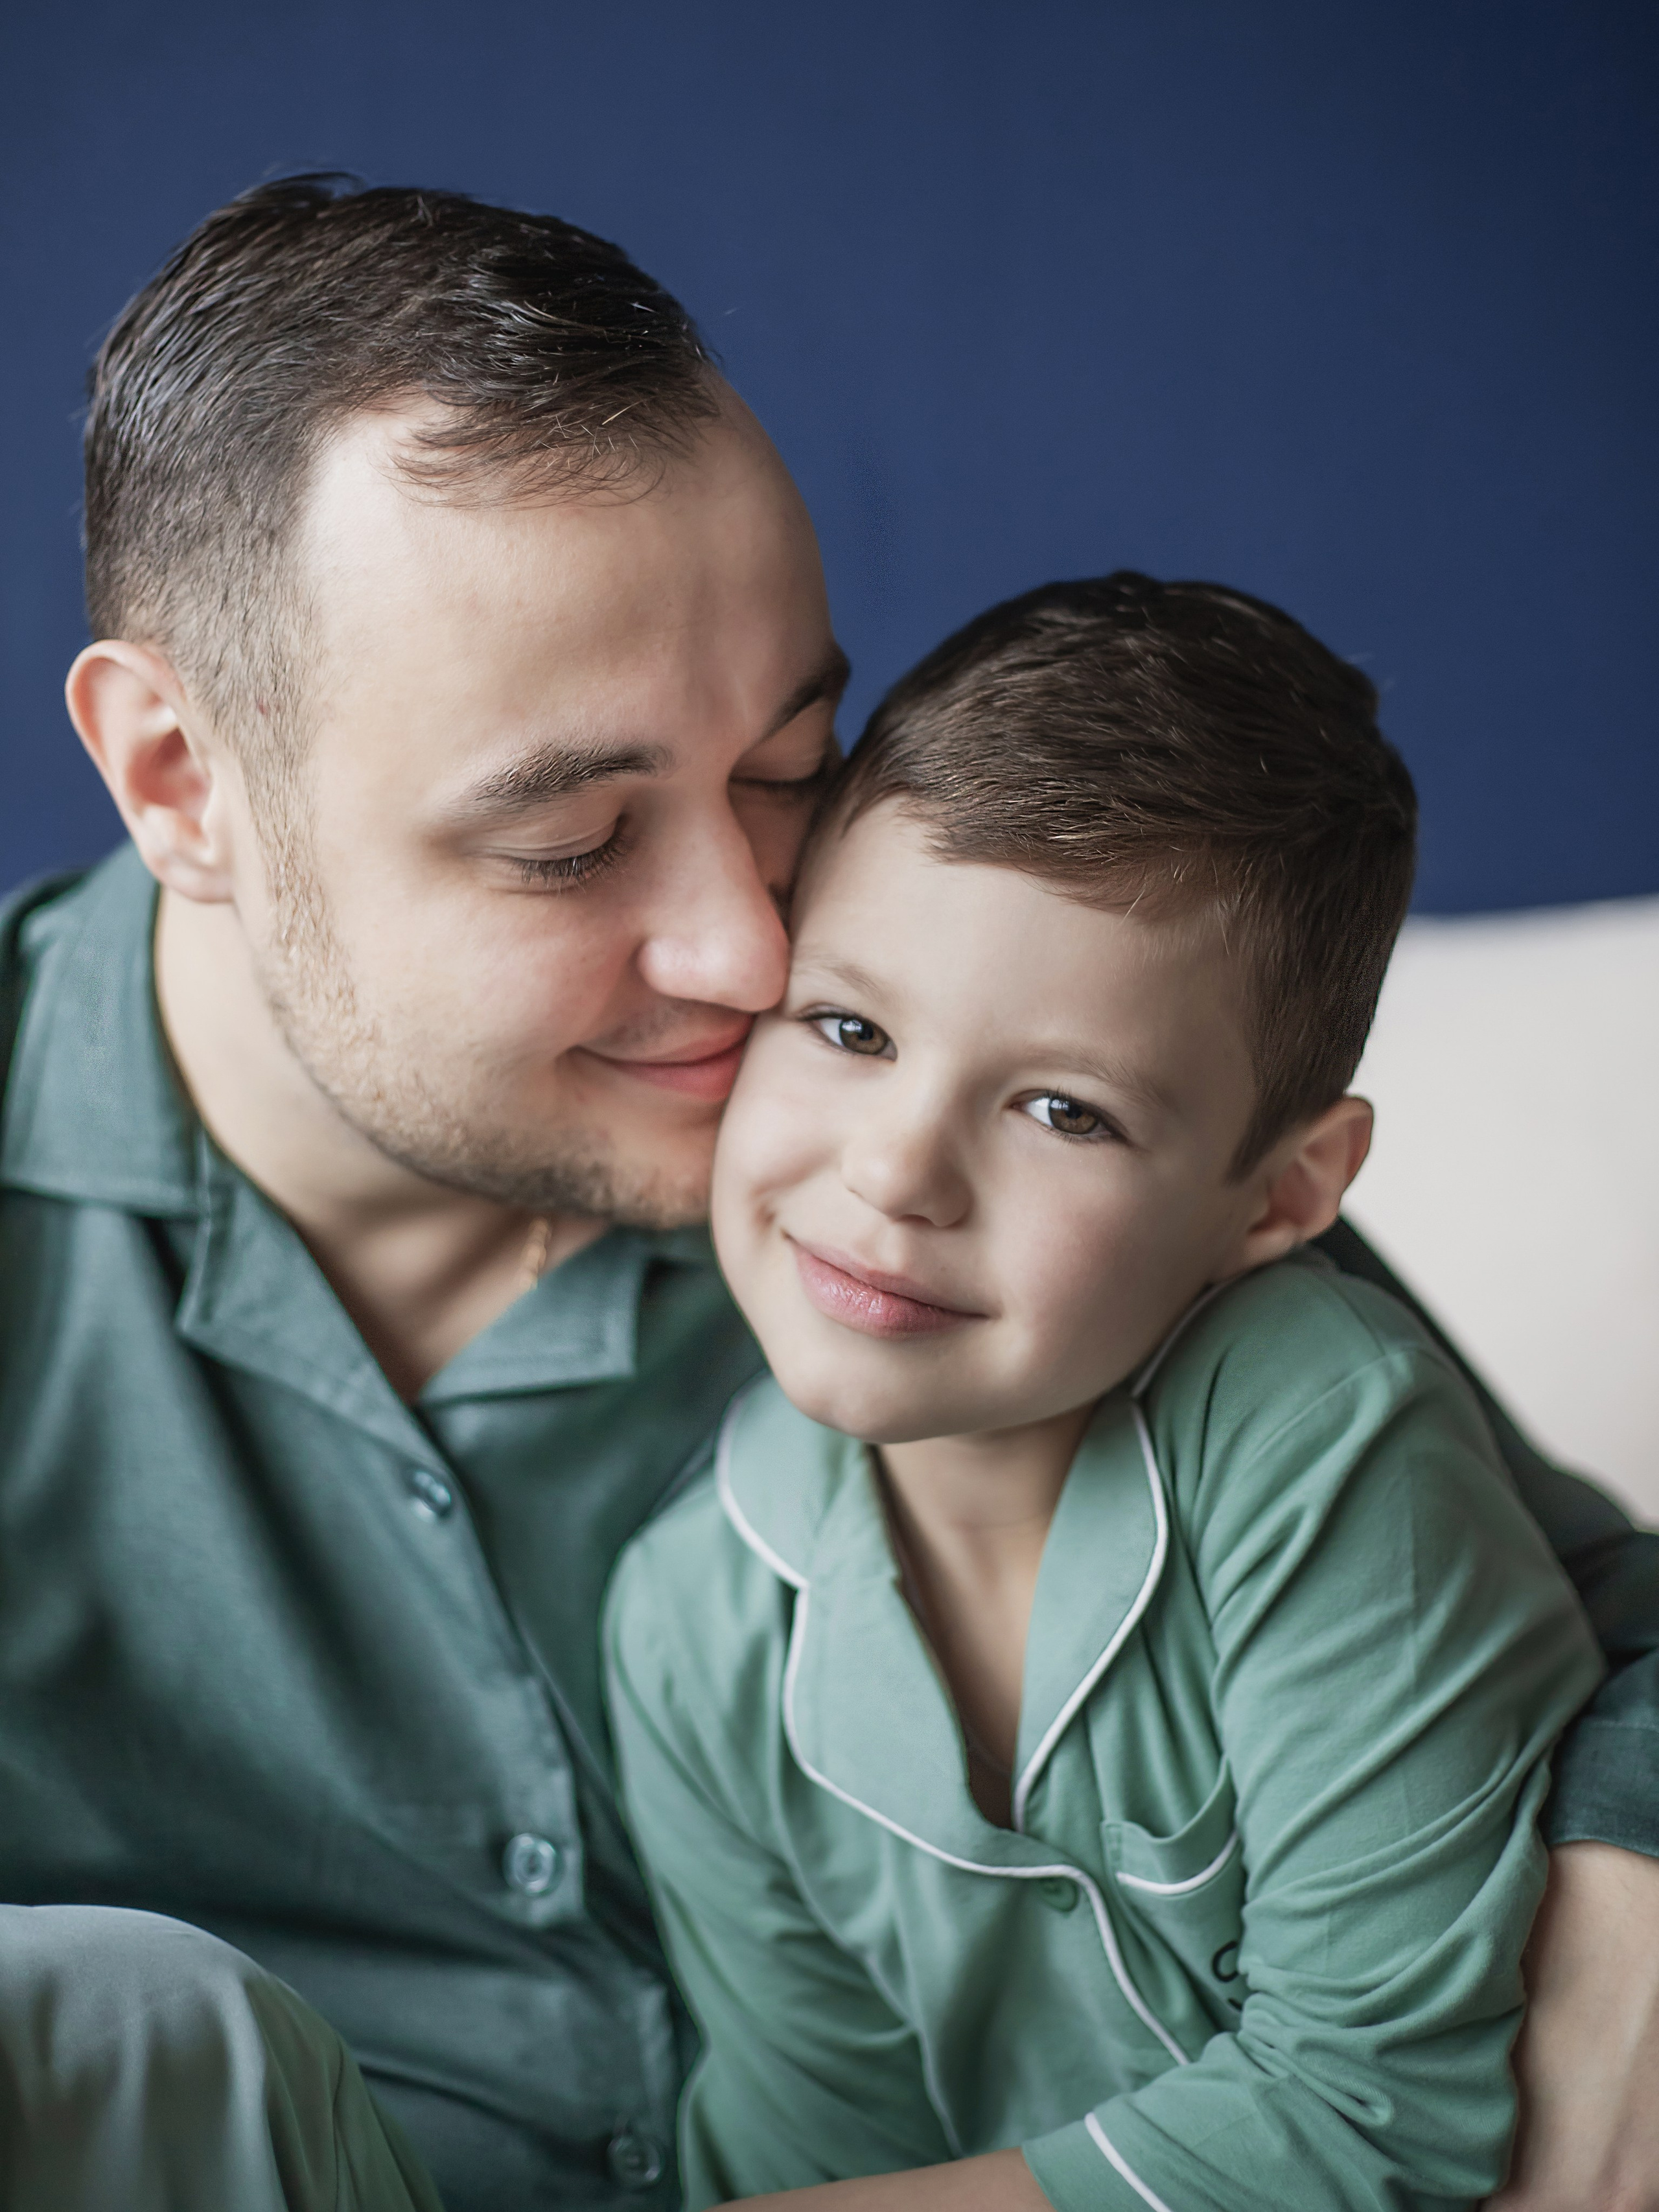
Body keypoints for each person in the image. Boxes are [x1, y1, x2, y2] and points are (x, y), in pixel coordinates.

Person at [0, 176, 1651, 2211]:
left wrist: (1629, 1895)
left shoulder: (937, 1173)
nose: (749, 947)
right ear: (179, 779)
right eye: (574, 839)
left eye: (787, 772)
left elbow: (1587, 1620)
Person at [602, 574, 1601, 2210]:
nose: (897, 1171)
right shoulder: (690, 1621)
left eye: (1063, 1111)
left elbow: (1376, 2118)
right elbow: (818, 2147)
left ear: (1280, 1196)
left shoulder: (1313, 1428)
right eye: (846, 1027)